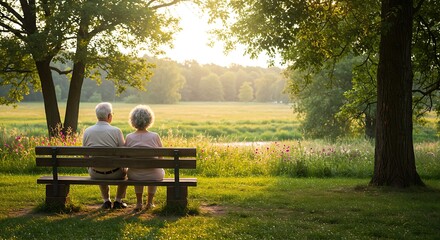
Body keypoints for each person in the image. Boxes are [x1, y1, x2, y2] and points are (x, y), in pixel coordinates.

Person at [82, 102, 128, 209]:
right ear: (109, 116)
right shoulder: (116, 131)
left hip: (95, 173)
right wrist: (123, 167)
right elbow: (124, 153)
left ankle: (106, 201)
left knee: (98, 163)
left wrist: (90, 167)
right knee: (126, 173)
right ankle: (118, 201)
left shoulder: (87, 131)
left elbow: (85, 155)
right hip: (116, 173)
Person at [125, 105, 165, 211]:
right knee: (155, 170)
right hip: (154, 175)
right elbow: (161, 157)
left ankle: (138, 203)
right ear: (149, 120)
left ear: (133, 120)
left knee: (137, 170)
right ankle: (150, 202)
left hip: (134, 175)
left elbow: (125, 157)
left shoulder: (129, 137)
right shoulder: (155, 136)